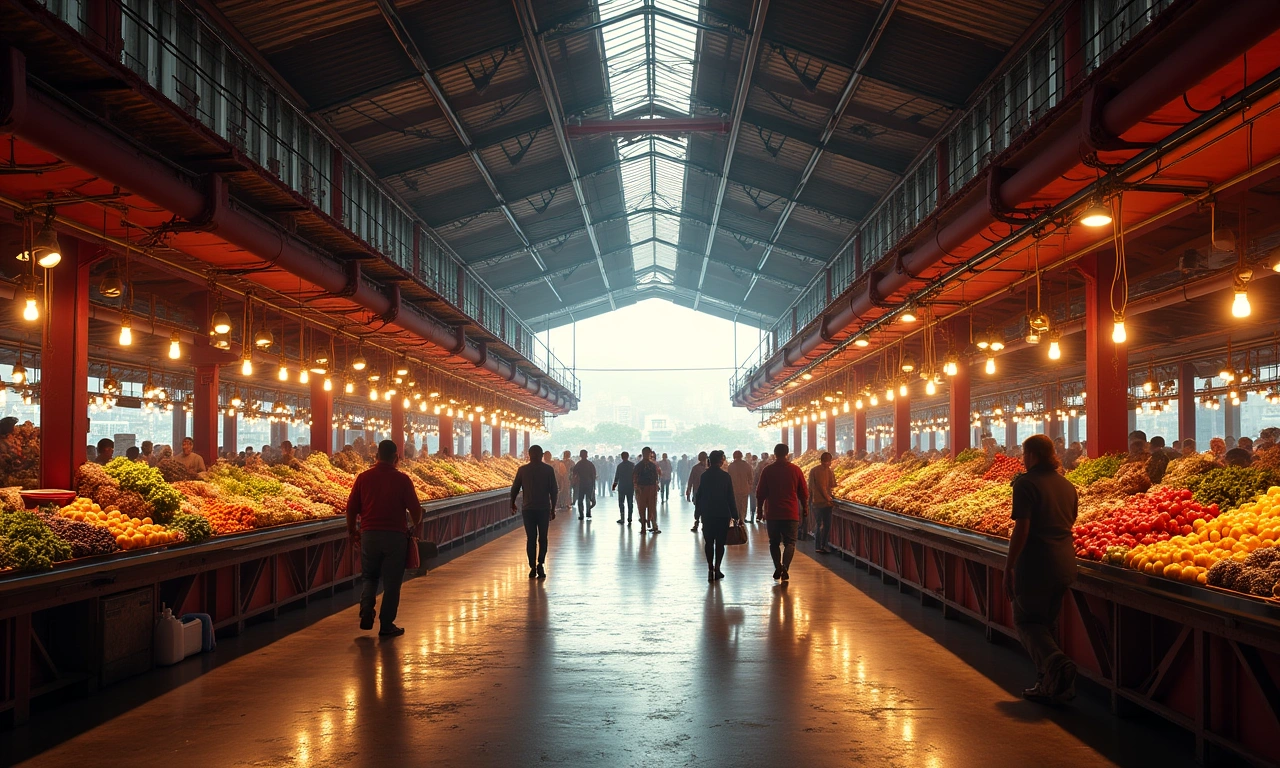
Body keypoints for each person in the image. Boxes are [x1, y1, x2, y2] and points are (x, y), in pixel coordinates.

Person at [1004, 434, 1078, 704]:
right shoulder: (1068, 486)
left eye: (1024, 455)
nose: (1023, 460)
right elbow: (1069, 521)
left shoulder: (1025, 484)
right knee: (1047, 624)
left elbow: (1021, 528)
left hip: (1035, 565)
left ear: (1032, 456)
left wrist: (1009, 566)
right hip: (1064, 565)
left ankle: (1058, 665)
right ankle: (1049, 685)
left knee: (1026, 622)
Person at [345, 440, 424, 638]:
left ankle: (366, 609)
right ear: (396, 457)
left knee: (370, 576)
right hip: (395, 536)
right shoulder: (403, 480)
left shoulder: (363, 478)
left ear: (376, 455)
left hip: (369, 534)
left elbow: (351, 508)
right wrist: (415, 528)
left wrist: (352, 531)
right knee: (392, 582)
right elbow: (416, 510)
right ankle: (386, 624)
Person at [754, 443, 808, 581]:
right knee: (790, 542)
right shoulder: (795, 470)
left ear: (774, 454)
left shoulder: (768, 470)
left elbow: (760, 493)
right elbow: (803, 492)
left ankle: (777, 566)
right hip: (790, 512)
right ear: (787, 453)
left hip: (772, 512)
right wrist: (805, 508)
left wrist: (759, 510)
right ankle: (785, 566)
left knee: (774, 542)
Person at [510, 444, 558, 579]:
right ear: (542, 455)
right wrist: (553, 508)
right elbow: (553, 490)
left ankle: (532, 566)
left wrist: (512, 502)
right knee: (543, 538)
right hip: (543, 508)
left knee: (531, 538)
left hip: (528, 509)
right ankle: (540, 564)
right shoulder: (548, 470)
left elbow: (515, 488)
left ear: (529, 455)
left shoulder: (523, 470)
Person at [695, 450, 739, 581]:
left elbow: (700, 495)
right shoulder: (725, 476)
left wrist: (697, 513)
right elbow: (730, 497)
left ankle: (710, 567)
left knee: (709, 542)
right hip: (722, 514)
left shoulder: (704, 476)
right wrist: (735, 515)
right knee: (720, 543)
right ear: (720, 461)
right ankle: (717, 568)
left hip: (708, 513)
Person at [808, 452, 836, 554]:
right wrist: (828, 497)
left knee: (822, 524)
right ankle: (821, 545)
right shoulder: (822, 471)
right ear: (828, 461)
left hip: (818, 502)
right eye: (829, 461)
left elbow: (832, 485)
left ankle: (821, 545)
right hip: (822, 502)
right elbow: (822, 486)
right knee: (823, 524)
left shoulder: (816, 470)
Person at [633, 447, 662, 534]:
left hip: (646, 489)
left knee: (646, 508)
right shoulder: (651, 465)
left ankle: (645, 526)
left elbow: (635, 478)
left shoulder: (641, 466)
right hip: (646, 488)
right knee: (648, 508)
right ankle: (647, 525)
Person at [727, 450, 753, 528]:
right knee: (744, 506)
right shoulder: (747, 465)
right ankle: (742, 519)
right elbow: (751, 478)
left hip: (734, 489)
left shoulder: (731, 466)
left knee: (736, 505)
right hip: (744, 489)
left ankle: (736, 519)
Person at [686, 451, 709, 532]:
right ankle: (700, 523)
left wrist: (688, 490)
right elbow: (691, 480)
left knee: (699, 507)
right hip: (701, 491)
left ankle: (698, 523)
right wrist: (688, 490)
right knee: (700, 507)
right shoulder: (700, 468)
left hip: (700, 491)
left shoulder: (697, 468)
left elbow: (690, 480)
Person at [572, 449, 597, 520]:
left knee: (580, 499)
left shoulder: (578, 464)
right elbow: (594, 474)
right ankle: (588, 513)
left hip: (581, 484)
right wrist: (593, 484)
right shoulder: (590, 464)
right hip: (589, 483)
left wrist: (574, 482)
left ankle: (581, 514)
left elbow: (574, 474)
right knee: (588, 499)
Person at [613, 451, 635, 525]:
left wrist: (614, 485)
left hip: (622, 487)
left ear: (622, 457)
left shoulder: (620, 466)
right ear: (628, 456)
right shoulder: (632, 465)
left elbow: (617, 477)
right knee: (630, 502)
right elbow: (635, 476)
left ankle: (622, 518)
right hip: (630, 487)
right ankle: (630, 517)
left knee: (621, 503)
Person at [750, 450, 773, 524]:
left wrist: (755, 483)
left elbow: (756, 474)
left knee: (760, 500)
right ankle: (765, 514)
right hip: (769, 484)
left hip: (761, 483)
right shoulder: (771, 463)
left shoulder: (760, 464)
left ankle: (760, 514)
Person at [554, 451, 573, 516]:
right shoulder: (571, 462)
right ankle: (567, 503)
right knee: (567, 491)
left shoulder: (561, 462)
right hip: (568, 478)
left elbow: (558, 471)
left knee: (562, 491)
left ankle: (561, 503)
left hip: (561, 478)